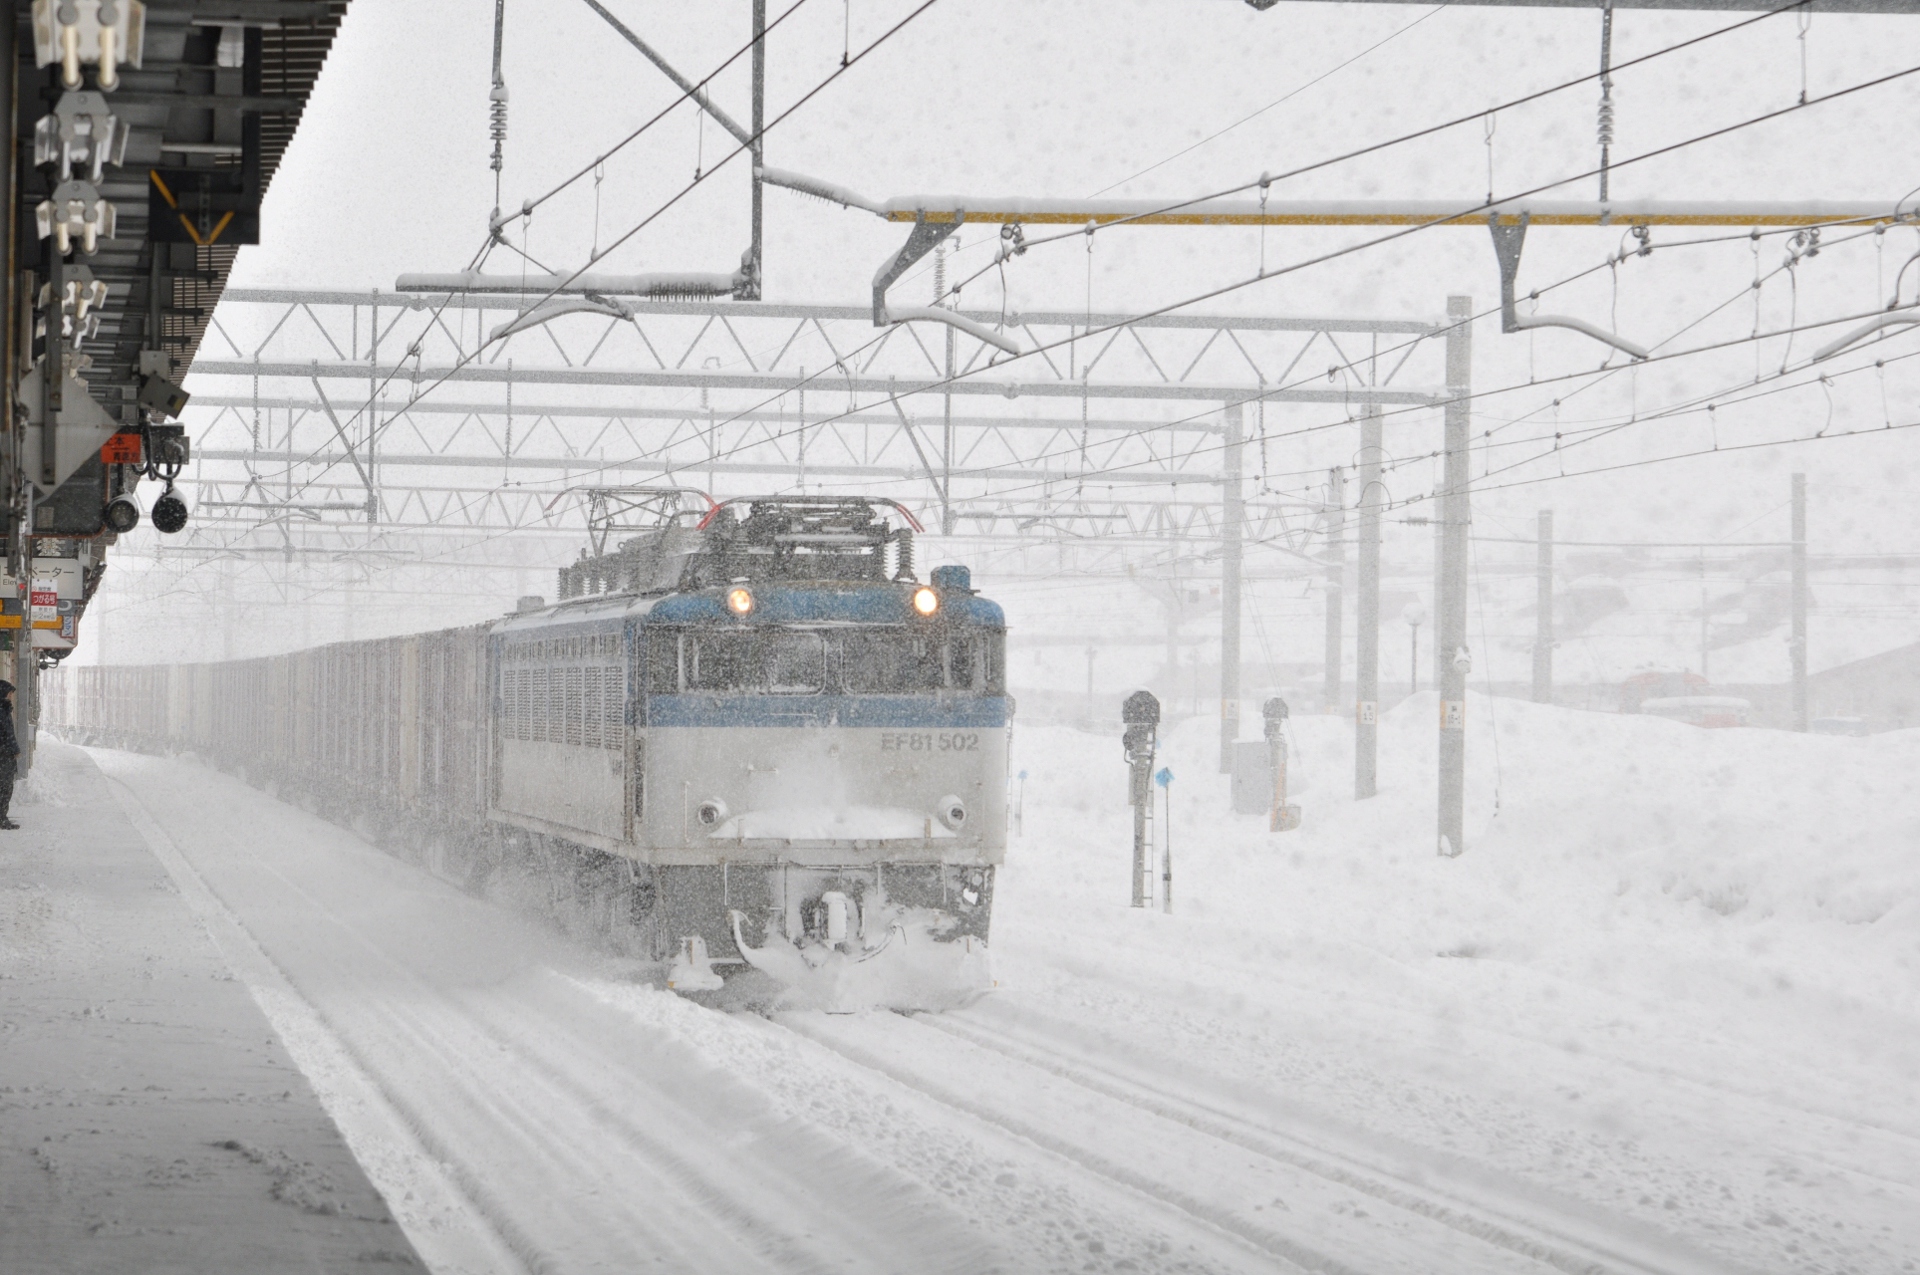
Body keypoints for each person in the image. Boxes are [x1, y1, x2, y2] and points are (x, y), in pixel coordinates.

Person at [0, 680, 19, 829]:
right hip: (3, 755)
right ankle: (1, 818)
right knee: (5, 788)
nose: (11, 696)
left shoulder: (4, 708)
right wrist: (15, 749)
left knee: (5, 787)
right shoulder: (2, 709)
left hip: (4, 754)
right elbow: (7, 733)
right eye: (10, 692)